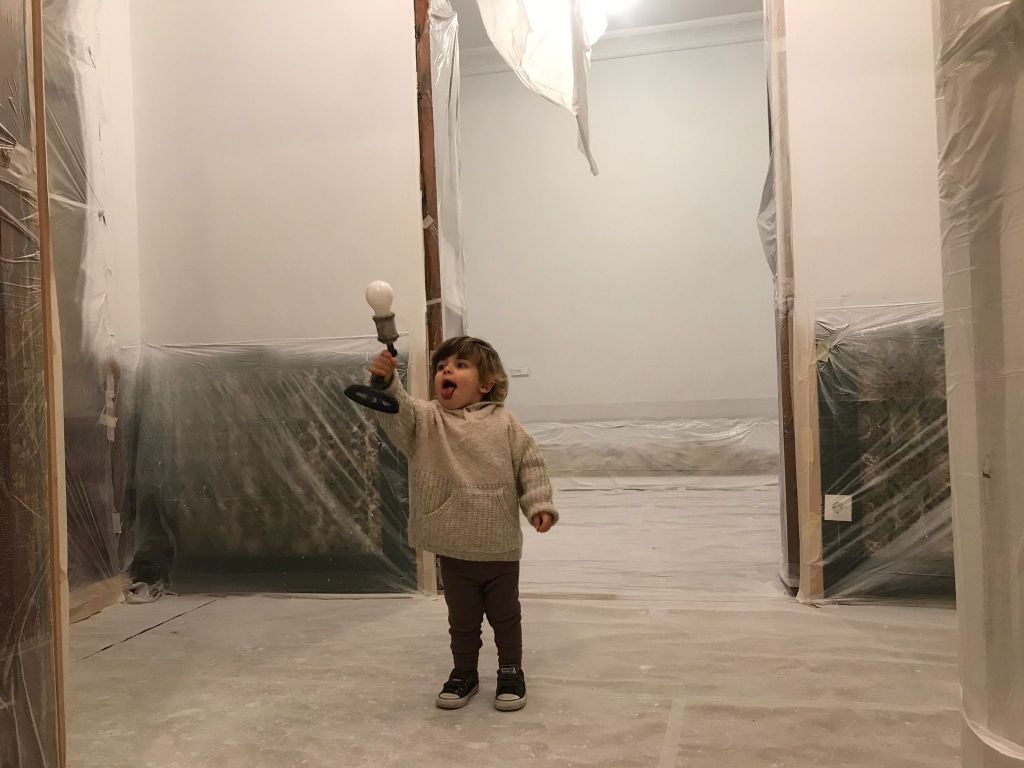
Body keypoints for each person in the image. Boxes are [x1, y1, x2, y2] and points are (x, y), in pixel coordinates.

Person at [369, 336, 557, 712]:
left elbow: (530, 464)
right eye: (441, 367)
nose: (447, 371)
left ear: (486, 383)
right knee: (463, 620)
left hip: (499, 548)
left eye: (460, 365)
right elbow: (397, 413)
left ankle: (510, 670)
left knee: (506, 616)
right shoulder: (427, 420)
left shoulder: (505, 424)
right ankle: (464, 672)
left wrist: (538, 504)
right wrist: (385, 383)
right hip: (453, 546)